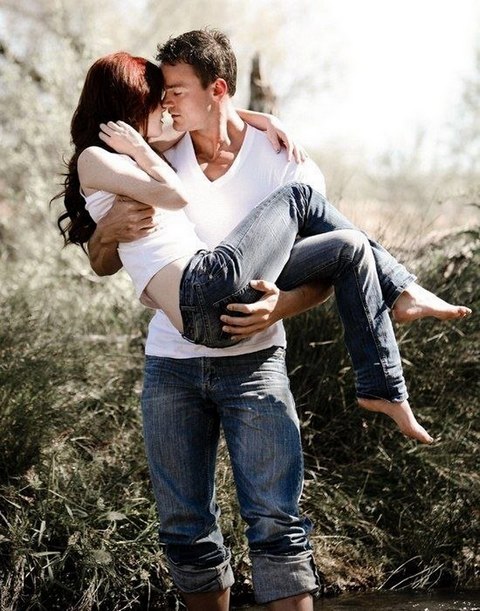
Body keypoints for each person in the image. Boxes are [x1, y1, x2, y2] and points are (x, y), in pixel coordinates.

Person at [80, 33, 470, 611]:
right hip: (174, 359)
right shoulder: (156, 147)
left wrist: (278, 306)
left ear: (217, 89)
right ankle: (404, 289)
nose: (167, 103)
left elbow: (322, 271)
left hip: (253, 359)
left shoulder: (281, 157)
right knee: (186, 531)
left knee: (278, 525)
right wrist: (105, 233)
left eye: (176, 91)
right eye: (161, 94)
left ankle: (385, 376)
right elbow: (105, 258)